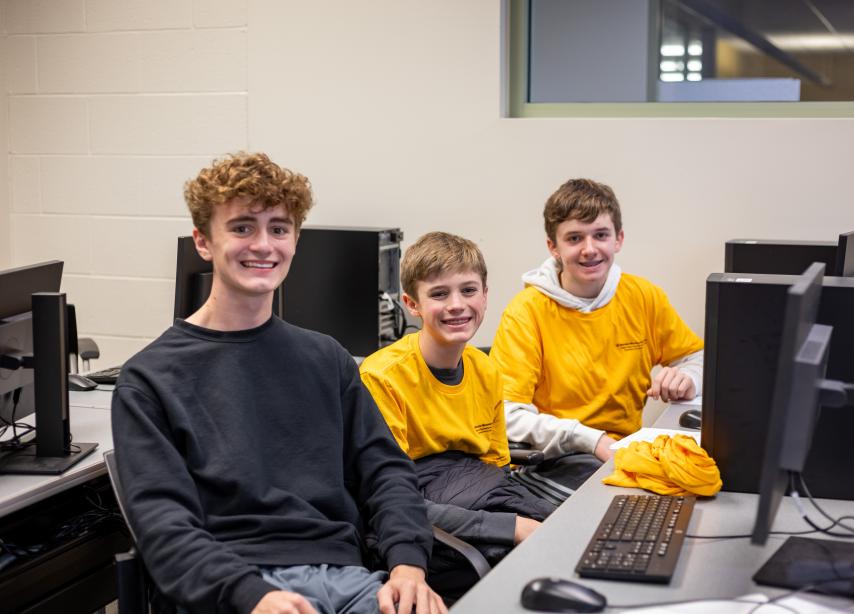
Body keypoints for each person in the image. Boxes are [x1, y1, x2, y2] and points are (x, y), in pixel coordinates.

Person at [111, 152, 446, 614]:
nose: (264, 245)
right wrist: (252, 597)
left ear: (295, 240)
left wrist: (409, 565)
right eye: (243, 227)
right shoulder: (149, 380)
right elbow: (164, 525)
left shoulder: (326, 358)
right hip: (233, 587)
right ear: (203, 241)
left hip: (346, 579)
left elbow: (386, 472)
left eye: (279, 228)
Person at [490, 178, 704, 501]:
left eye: (600, 235)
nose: (589, 249)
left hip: (622, 453)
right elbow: (506, 415)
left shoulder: (643, 297)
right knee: (640, 509)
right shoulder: (526, 312)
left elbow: (701, 359)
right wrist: (588, 439)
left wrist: (688, 378)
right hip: (554, 460)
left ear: (618, 239)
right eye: (574, 238)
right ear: (553, 247)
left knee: (699, 488)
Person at [359, 232, 554, 565]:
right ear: (412, 304)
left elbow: (497, 468)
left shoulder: (486, 368)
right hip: (416, 512)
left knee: (562, 533)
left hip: (478, 492)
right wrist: (510, 527)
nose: (456, 305)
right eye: (439, 294)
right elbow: (392, 498)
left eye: (468, 290)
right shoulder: (382, 376)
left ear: (485, 295)